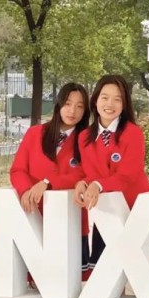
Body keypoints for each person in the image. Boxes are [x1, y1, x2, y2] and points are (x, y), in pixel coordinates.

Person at [73, 75, 149, 271]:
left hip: (135, 207)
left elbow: (129, 174)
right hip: (107, 211)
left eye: (117, 99)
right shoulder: (84, 137)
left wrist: (97, 184)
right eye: (104, 97)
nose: (110, 104)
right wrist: (83, 182)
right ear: (95, 100)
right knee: (108, 271)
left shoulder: (133, 133)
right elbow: (90, 172)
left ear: (124, 104)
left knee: (145, 271)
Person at [10, 83, 92, 280]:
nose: (72, 111)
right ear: (58, 105)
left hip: (68, 217)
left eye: (80, 106)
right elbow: (18, 170)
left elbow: (84, 174)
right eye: (68, 103)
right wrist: (26, 190)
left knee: (67, 281)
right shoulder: (35, 133)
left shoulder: (88, 139)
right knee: (32, 279)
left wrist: (47, 182)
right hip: (33, 214)